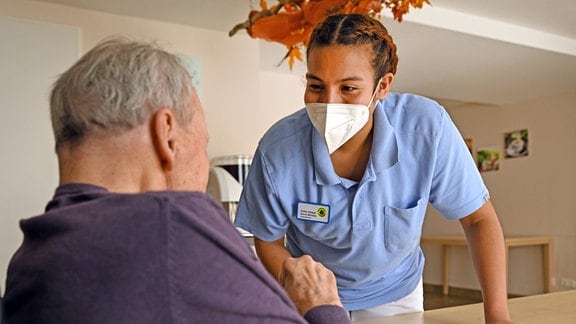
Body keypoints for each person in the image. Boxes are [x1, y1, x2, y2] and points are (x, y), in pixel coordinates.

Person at [2, 37, 351, 324]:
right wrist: (322, 308)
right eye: (202, 145)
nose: (202, 167)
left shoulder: (31, 258)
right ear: (167, 134)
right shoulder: (170, 219)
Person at [234, 13, 512, 323]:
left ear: (383, 86)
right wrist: (303, 293)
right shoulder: (278, 152)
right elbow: (268, 240)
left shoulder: (426, 129)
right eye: (316, 86)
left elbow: (477, 218)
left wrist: (497, 315)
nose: (329, 103)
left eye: (348, 88)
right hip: (313, 295)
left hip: (396, 292)